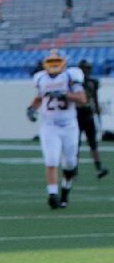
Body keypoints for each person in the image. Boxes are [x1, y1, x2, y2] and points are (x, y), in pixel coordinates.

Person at [26, 49, 86, 209]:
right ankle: (52, 194)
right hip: (49, 125)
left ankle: (65, 191)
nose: (53, 65)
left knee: (70, 163)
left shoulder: (70, 76)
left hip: (69, 126)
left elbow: (82, 99)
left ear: (63, 62)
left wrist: (66, 95)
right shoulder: (41, 78)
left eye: (56, 62)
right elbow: (40, 96)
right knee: (51, 159)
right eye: (50, 62)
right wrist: (31, 108)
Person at [76, 59, 108, 179]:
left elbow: (95, 98)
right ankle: (73, 170)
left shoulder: (92, 82)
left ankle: (99, 167)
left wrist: (98, 115)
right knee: (75, 145)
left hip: (87, 114)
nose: (86, 71)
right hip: (77, 115)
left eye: (88, 68)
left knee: (93, 144)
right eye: (85, 68)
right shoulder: (74, 82)